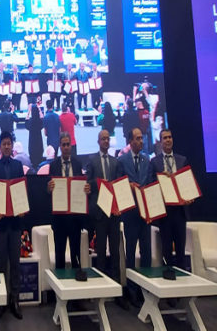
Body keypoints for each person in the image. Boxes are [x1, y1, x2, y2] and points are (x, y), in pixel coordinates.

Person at [86, 130, 127, 307]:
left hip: (114, 213)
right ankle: (102, 290)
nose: (105, 141)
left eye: (107, 139)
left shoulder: (116, 162)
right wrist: (101, 183)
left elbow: (120, 185)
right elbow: (88, 183)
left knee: (115, 252)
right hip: (99, 213)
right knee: (101, 252)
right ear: (98, 141)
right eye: (103, 139)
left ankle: (117, 291)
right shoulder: (92, 160)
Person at [0, 131, 25, 319]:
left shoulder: (18, 166)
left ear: (12, 146)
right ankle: (2, 299)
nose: (6, 146)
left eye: (9, 143)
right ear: (0, 146)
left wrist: (22, 207)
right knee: (1, 263)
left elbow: (22, 190)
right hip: (1, 223)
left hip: (16, 222)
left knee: (15, 263)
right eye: (4, 144)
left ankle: (15, 300)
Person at [117, 128, 155, 306]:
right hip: (130, 214)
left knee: (146, 252)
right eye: (138, 138)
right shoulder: (122, 161)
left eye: (142, 138)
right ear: (131, 141)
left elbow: (151, 183)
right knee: (130, 253)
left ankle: (145, 289)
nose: (141, 141)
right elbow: (118, 184)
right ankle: (131, 291)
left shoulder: (147, 160)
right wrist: (129, 185)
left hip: (146, 214)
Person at [47, 133, 90, 269]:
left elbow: (82, 187)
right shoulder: (53, 165)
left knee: (76, 256)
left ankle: (77, 280)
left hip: (75, 218)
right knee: (59, 256)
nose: (66, 147)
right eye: (63, 145)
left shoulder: (77, 164)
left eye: (68, 144)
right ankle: (59, 281)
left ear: (71, 146)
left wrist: (86, 189)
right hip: (59, 218)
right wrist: (49, 188)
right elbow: (48, 192)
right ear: (60, 147)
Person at [150, 129, 190, 268]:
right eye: (165, 138)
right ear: (161, 142)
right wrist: (161, 180)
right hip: (164, 212)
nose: (168, 140)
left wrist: (189, 196)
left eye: (170, 137)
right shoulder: (154, 162)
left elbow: (187, 182)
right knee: (166, 249)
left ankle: (183, 276)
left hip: (180, 211)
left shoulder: (182, 160)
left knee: (180, 249)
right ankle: (168, 275)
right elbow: (151, 184)